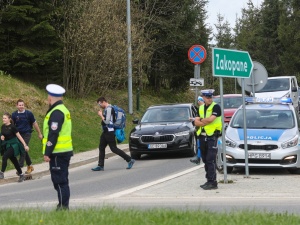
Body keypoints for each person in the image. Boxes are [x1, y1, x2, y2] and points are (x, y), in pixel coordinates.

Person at [42, 84, 73, 210]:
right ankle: (62, 205)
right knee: (61, 181)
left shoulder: (56, 112)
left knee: (60, 182)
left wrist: (47, 152)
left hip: (58, 152)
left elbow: (53, 134)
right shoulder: (63, 110)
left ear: (50, 97)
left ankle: (63, 208)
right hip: (63, 151)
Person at [92, 97, 135, 171]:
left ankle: (129, 159)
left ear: (103, 102)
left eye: (100, 104)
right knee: (101, 147)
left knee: (114, 148)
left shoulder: (109, 109)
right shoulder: (108, 109)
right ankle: (100, 165)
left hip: (109, 132)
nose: (99, 106)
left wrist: (101, 115)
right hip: (106, 132)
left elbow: (107, 121)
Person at [191, 89, 222, 190]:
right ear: (203, 98)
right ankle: (208, 180)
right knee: (204, 159)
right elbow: (196, 123)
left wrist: (201, 120)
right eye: (207, 97)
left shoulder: (216, 107)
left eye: (211, 97)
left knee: (210, 159)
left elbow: (211, 120)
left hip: (212, 136)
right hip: (202, 136)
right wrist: (202, 121)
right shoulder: (200, 108)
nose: (209, 99)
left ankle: (213, 182)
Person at [12, 99, 43, 174]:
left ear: (24, 105)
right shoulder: (14, 114)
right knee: (23, 149)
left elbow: (35, 124)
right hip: (19, 135)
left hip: (27, 133)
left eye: (22, 105)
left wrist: (39, 133)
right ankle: (30, 166)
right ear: (17, 106)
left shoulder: (29, 114)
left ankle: (19, 167)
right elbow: (12, 126)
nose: (21, 106)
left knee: (23, 148)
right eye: (19, 105)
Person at [0, 112, 29, 182]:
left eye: (5, 118)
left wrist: (25, 145)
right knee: (14, 160)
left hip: (14, 145)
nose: (3, 119)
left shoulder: (13, 127)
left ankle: (1, 173)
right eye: (3, 118)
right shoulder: (2, 127)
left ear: (9, 119)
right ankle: (21, 174)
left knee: (5, 157)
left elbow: (19, 136)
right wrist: (2, 137)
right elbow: (2, 135)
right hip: (7, 145)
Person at [190, 96, 205, 165]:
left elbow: (202, 119)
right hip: (200, 131)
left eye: (200, 101)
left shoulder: (206, 109)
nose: (198, 102)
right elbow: (198, 118)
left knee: (202, 147)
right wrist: (194, 119)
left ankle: (199, 158)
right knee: (199, 146)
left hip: (206, 131)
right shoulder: (199, 109)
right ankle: (198, 158)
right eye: (198, 101)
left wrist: (194, 120)